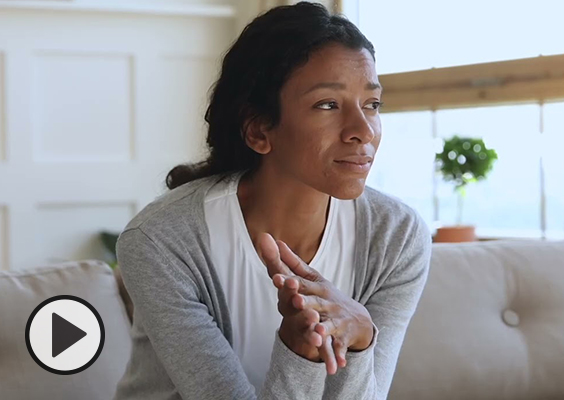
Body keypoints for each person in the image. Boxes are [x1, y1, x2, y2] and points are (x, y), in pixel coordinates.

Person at [113, 2, 432, 399]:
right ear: (259, 131)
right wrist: (299, 354)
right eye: (328, 105)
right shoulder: (161, 241)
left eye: (372, 104)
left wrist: (363, 336)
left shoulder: (397, 237)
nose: (363, 130)